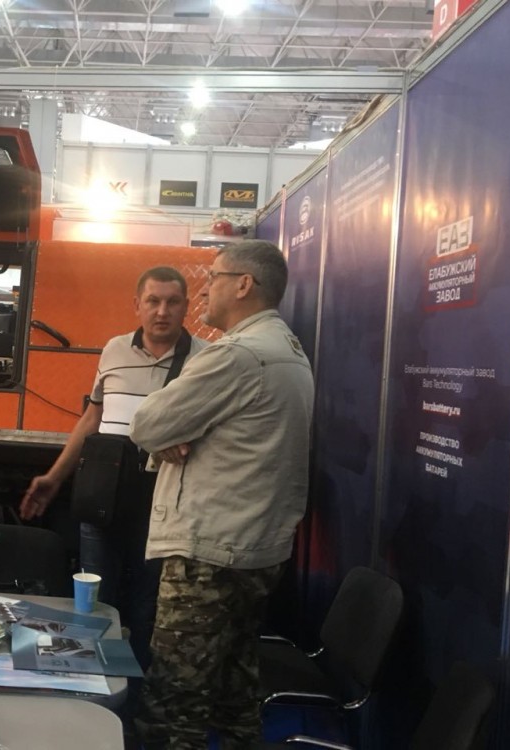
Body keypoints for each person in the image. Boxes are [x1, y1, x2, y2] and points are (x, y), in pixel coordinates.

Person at [129, 240, 314, 750]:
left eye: (214, 276)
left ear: (244, 284)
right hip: (253, 548)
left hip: (209, 554)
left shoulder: (237, 355)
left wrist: (166, 436)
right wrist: (171, 437)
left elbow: (147, 423)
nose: (206, 287)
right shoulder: (287, 348)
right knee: (234, 694)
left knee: (174, 703)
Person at [19, 266, 208, 674]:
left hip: (163, 505)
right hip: (102, 496)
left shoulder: (205, 358)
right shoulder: (114, 350)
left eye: (172, 302)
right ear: (137, 305)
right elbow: (92, 418)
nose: (162, 311)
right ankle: (88, 684)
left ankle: (136, 694)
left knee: (147, 607)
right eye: (153, 301)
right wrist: (54, 477)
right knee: (95, 601)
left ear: (186, 307)